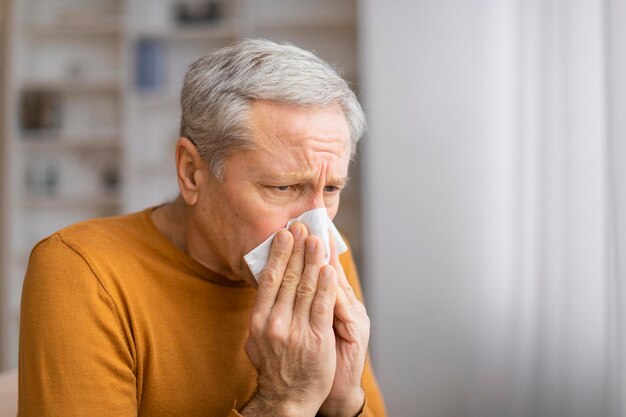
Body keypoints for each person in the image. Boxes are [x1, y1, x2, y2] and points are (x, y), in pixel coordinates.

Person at [18, 39, 386, 417]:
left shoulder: (327, 261)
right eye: (283, 187)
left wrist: (344, 404)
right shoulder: (83, 272)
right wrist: (284, 400)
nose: (316, 229)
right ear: (192, 173)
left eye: (330, 189)